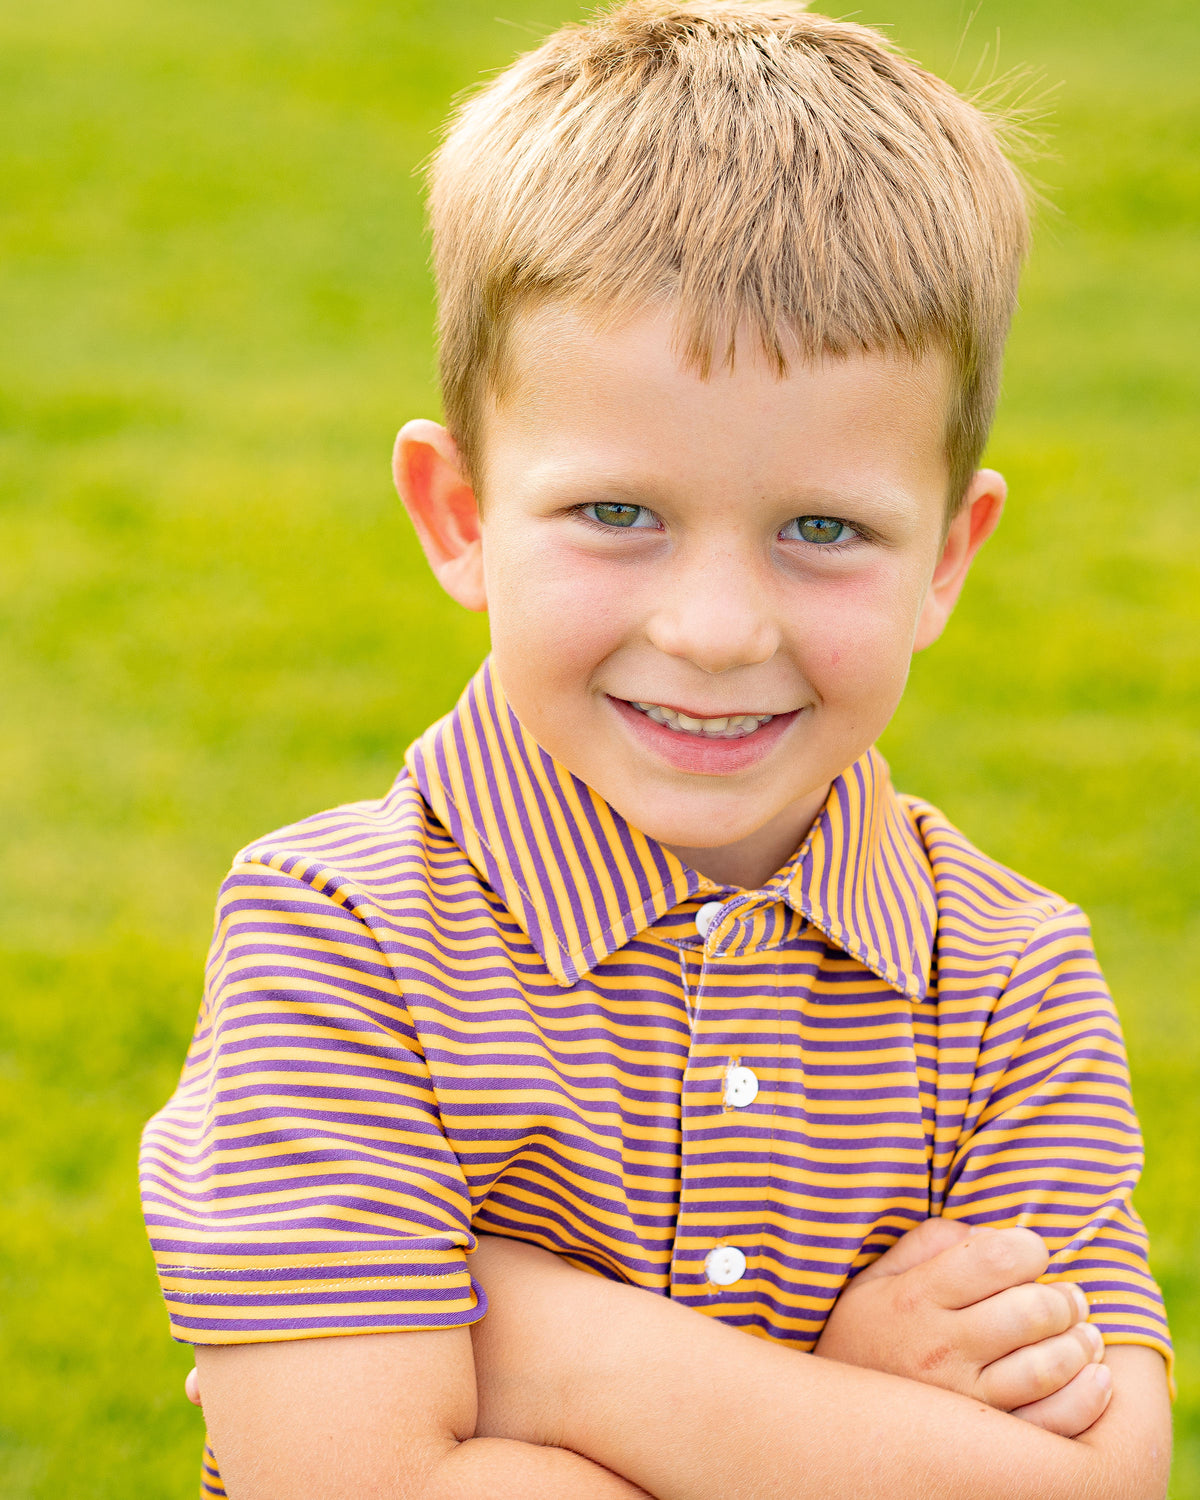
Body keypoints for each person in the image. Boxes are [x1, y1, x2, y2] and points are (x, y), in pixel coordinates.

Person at [139, 3, 1173, 1495]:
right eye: (618, 514)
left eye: (824, 530)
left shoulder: (1009, 979)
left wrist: (555, 1353)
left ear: (949, 555)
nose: (713, 629)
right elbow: (356, 1480)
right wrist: (863, 1417)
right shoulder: (345, 939)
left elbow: (1094, 1481)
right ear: (460, 517)